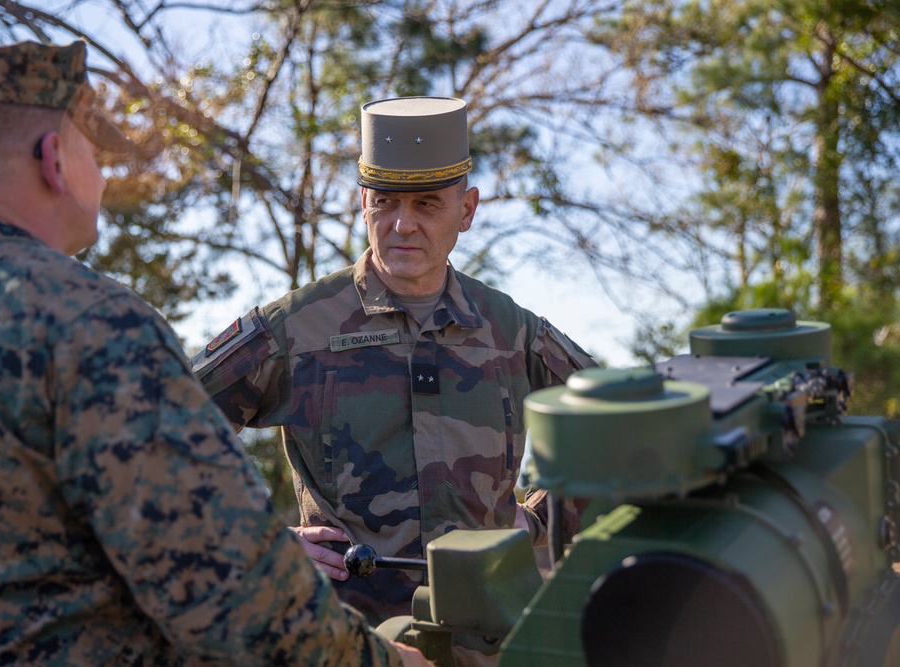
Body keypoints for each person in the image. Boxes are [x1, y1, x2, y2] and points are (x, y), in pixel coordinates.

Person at [0, 40, 428, 667]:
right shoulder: (89, 324)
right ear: (54, 160)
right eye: (95, 155)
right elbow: (231, 593)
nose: (103, 178)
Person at [192, 96, 597, 630]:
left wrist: (540, 519)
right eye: (385, 202)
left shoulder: (510, 329)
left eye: (427, 204)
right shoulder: (296, 327)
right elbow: (151, 436)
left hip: (489, 636)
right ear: (363, 202)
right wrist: (255, 540)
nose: (403, 225)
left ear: (467, 210)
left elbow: (617, 424)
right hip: (349, 640)